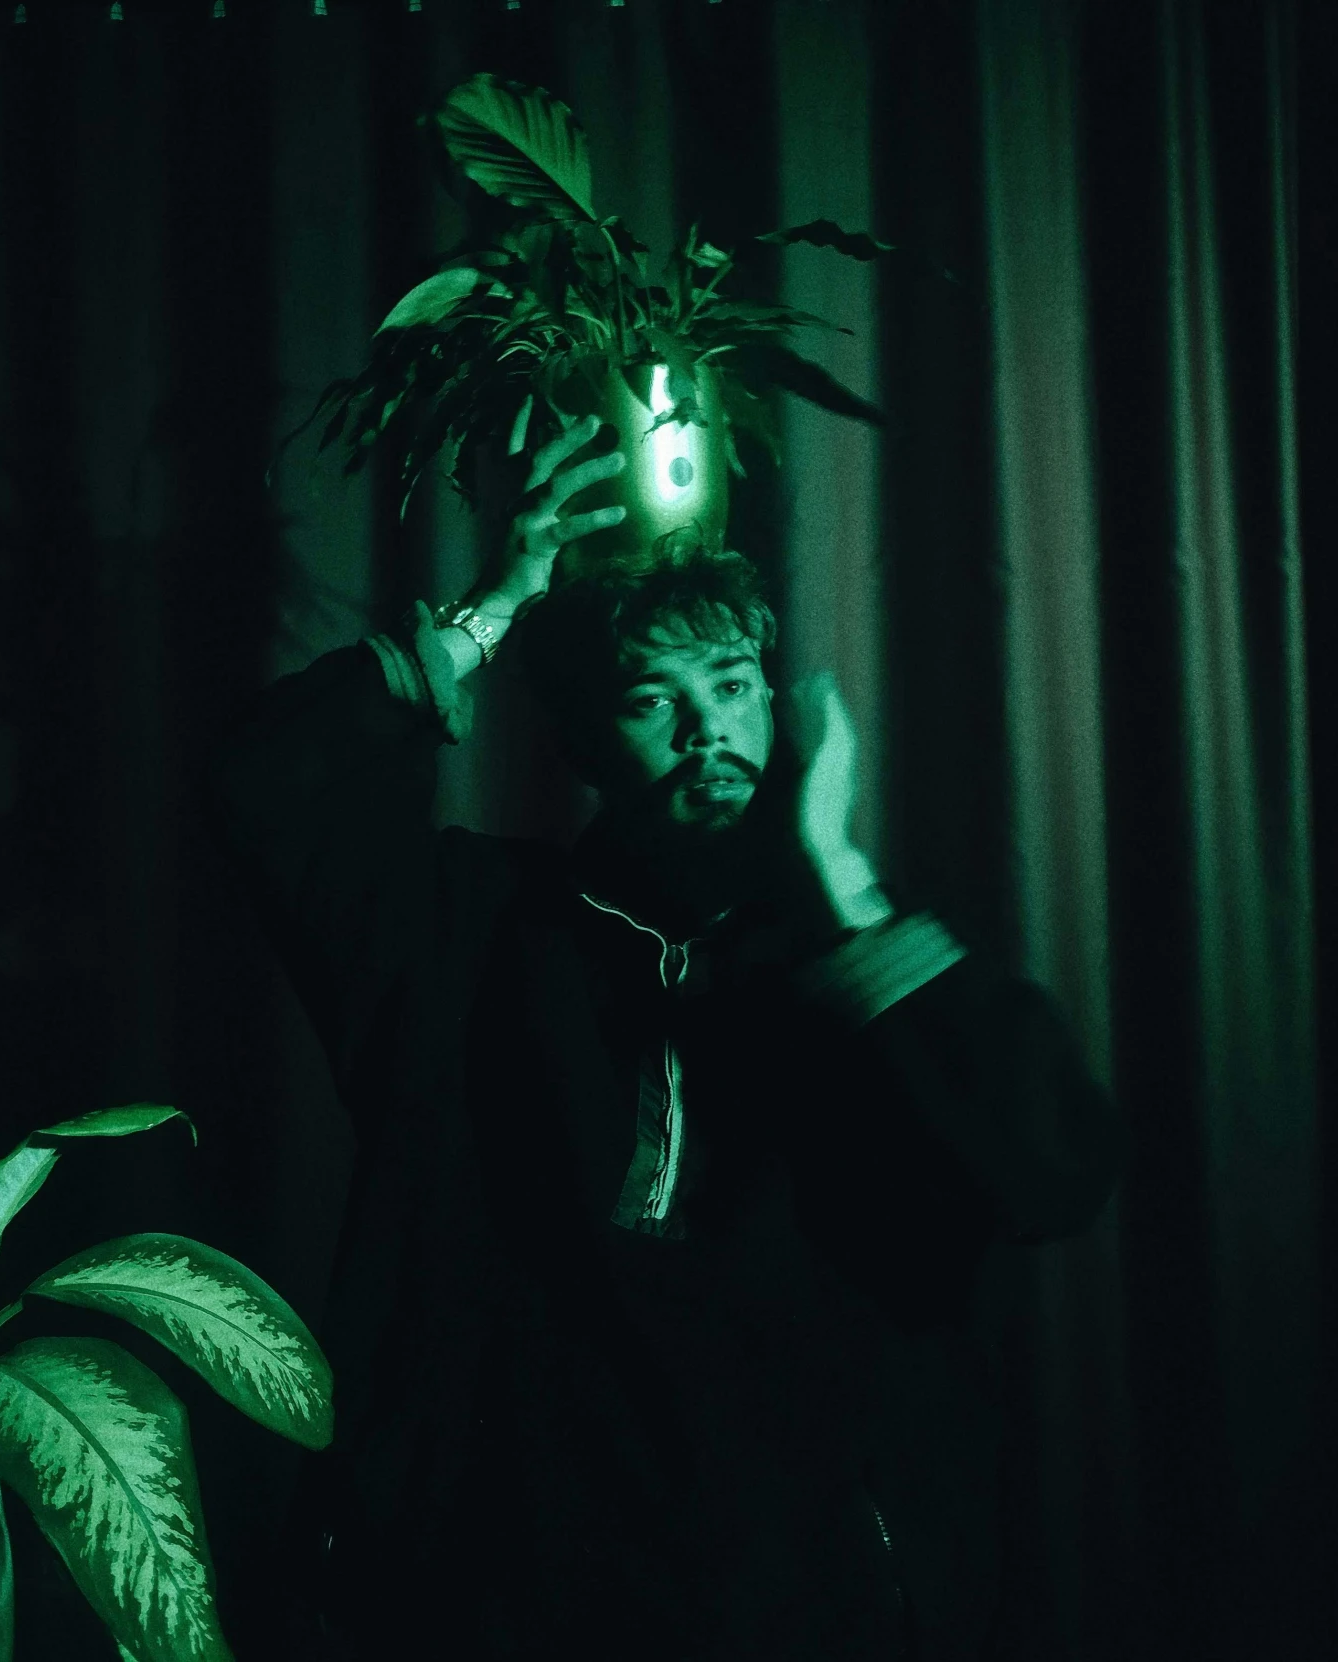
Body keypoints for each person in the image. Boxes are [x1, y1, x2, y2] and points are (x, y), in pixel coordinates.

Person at [207, 413, 1123, 1662]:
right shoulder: (473, 931)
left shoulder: (848, 962)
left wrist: (841, 875)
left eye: (732, 686)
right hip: (500, 1583)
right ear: (587, 739)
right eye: (655, 700)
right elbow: (263, 794)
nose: (708, 732)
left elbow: (1049, 1172)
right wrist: (494, 603)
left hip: (793, 1593)